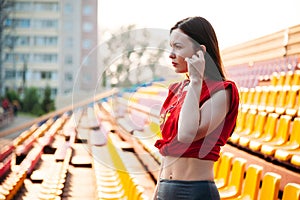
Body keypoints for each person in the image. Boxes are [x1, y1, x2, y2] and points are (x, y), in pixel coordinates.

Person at [153, 16, 239, 200]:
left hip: (193, 191)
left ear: (200, 51)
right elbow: (169, 146)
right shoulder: (175, 90)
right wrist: (157, 192)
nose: (170, 54)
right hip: (164, 188)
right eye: (171, 46)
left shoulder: (222, 91)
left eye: (178, 47)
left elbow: (186, 135)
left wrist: (195, 82)